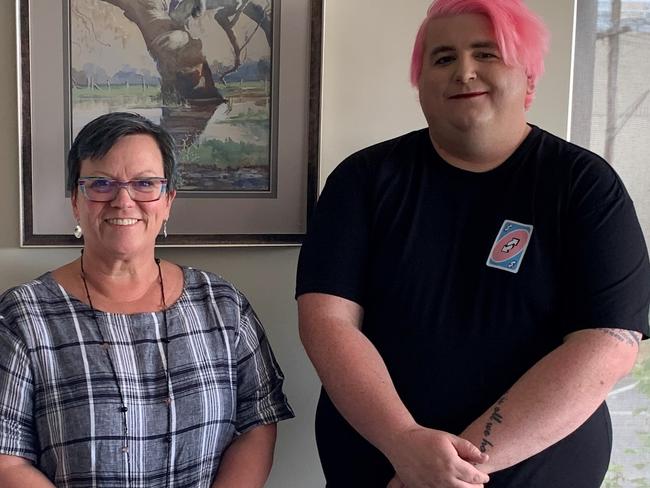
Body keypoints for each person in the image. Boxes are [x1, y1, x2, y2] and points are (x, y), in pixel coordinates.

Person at [296, 0, 650, 487]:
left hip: (536, 470)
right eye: (443, 58)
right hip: (381, 464)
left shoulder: (584, 184)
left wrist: (451, 470)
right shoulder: (363, 180)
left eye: (487, 54)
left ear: (528, 77)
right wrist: (404, 443)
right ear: (420, 82)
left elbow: (607, 344)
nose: (464, 71)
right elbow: (326, 322)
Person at [0, 112, 293, 487]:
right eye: (101, 183)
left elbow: (258, 423)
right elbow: (7, 459)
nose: (123, 201)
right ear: (76, 200)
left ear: (168, 200)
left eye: (144, 183)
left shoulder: (222, 305)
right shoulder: (21, 317)